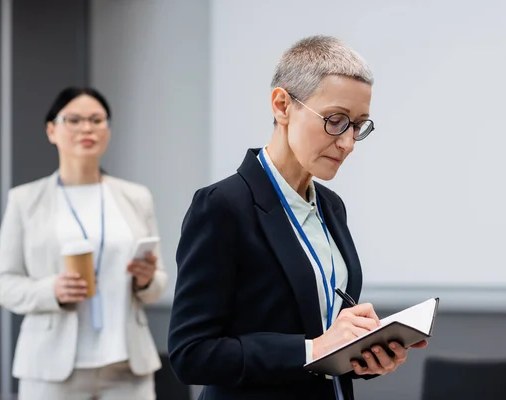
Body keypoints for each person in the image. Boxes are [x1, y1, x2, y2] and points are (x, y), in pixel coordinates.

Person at [167, 36, 427, 400]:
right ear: (282, 106)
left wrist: (363, 354)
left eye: (358, 125)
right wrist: (314, 349)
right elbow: (191, 354)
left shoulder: (331, 207)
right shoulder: (222, 206)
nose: (348, 143)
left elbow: (320, 336)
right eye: (336, 121)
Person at [0, 86, 167, 400]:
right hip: (51, 368)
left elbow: (159, 283)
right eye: (74, 120)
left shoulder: (136, 197)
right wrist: (51, 291)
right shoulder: (24, 200)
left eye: (97, 120)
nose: (87, 128)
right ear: (51, 130)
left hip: (127, 368)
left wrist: (146, 281)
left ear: (108, 130)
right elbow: (3, 283)